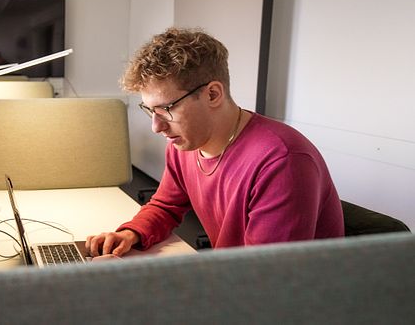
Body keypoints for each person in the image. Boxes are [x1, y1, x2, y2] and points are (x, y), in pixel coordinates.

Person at [86, 28, 344, 257]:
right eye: (150, 109)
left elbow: (267, 276)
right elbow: (166, 205)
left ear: (212, 94)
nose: (157, 126)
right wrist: (131, 234)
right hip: (236, 279)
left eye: (166, 108)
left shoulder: (281, 161)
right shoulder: (185, 143)